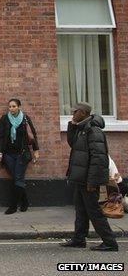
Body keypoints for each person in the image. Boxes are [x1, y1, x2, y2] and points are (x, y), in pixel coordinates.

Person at [61, 102, 118, 252]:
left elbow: (99, 159)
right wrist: (72, 125)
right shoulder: (82, 129)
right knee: (80, 210)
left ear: (83, 113)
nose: (72, 115)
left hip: (88, 180)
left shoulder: (94, 131)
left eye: (75, 112)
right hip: (81, 178)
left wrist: (92, 182)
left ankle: (110, 242)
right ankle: (79, 239)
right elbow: (73, 143)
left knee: (94, 211)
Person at [0, 98, 40, 214]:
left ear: (19, 107)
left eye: (14, 106)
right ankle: (25, 201)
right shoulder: (5, 119)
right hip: (8, 155)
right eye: (10, 107)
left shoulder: (25, 119)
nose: (11, 109)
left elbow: (32, 134)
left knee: (18, 178)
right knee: (17, 178)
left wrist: (36, 150)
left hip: (22, 154)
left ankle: (13, 206)